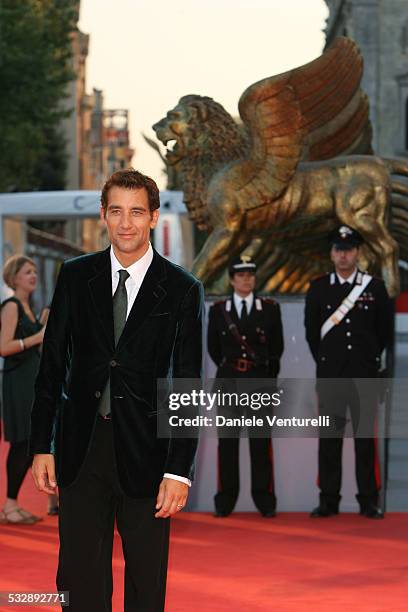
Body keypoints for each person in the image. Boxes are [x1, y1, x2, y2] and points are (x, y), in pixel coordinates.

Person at [30, 168, 203, 612]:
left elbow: (186, 383)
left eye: (137, 212)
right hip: (80, 450)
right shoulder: (74, 276)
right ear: (103, 216)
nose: (126, 223)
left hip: (147, 452)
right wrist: (41, 445)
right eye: (117, 212)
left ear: (152, 217)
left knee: (146, 583)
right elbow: (51, 367)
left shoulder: (182, 289)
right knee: (79, 578)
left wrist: (179, 470)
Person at [304, 225, 393, 519]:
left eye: (349, 250)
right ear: (331, 254)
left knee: (365, 441)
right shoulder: (318, 288)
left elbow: (383, 333)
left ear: (357, 252)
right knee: (329, 442)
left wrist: (366, 364)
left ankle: (368, 500)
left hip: (364, 377)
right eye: (338, 250)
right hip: (331, 377)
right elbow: (312, 334)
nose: (343, 255)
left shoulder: (375, 287)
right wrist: (329, 364)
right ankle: (329, 500)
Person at [207, 255, 284, 517]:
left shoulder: (270, 308)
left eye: (250, 275)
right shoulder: (218, 310)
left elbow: (277, 350)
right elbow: (214, 350)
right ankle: (225, 500)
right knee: (227, 445)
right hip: (229, 384)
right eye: (240, 275)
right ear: (231, 279)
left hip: (259, 385)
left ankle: (264, 500)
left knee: (260, 445)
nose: (246, 279)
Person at [0, 255, 45, 524]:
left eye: (35, 271)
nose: (33, 276)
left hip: (32, 381)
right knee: (22, 442)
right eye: (28, 272)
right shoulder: (11, 306)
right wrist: (36, 337)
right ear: (14, 277)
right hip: (18, 382)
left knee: (29, 442)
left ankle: (12, 504)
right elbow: (4, 347)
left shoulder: (30, 307)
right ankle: (10, 505)